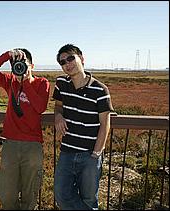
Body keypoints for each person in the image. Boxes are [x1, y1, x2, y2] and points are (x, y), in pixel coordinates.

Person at [0, 48, 50, 210]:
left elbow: (40, 107)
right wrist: (7, 55)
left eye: (23, 63)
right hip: (10, 144)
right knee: (6, 192)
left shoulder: (42, 83)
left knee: (30, 191)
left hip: (32, 145)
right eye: (16, 64)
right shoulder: (10, 82)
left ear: (32, 66)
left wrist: (26, 82)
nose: (19, 67)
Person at [53, 44, 114, 210]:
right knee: (61, 195)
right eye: (62, 62)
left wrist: (96, 154)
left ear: (82, 58)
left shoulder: (100, 90)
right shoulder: (61, 83)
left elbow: (105, 124)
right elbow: (58, 106)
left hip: (89, 155)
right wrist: (58, 116)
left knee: (89, 198)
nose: (67, 63)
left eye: (71, 58)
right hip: (66, 152)